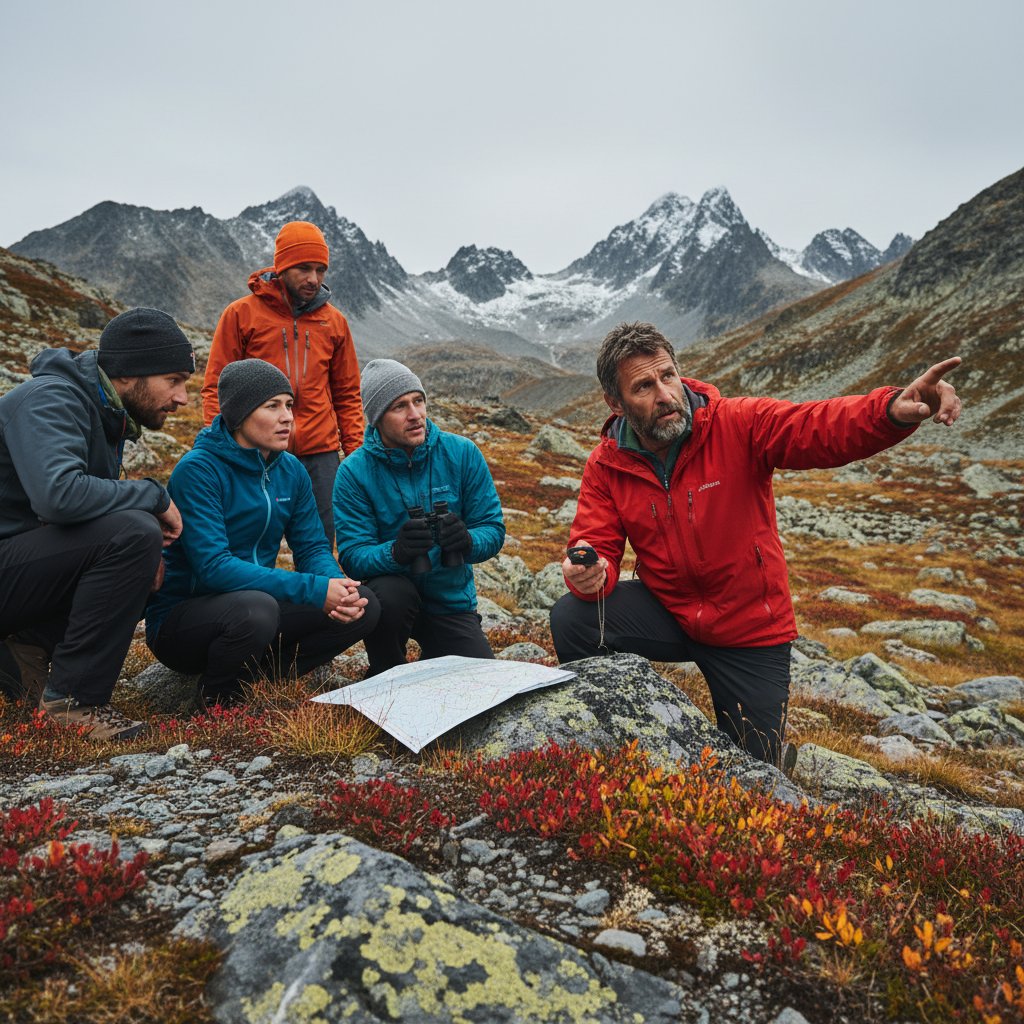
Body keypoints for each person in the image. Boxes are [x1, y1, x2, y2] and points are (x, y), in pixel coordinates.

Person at [550, 321, 963, 767]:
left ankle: (764, 751)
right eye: (644, 386)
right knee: (574, 618)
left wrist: (888, 411)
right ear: (616, 402)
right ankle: (618, 735)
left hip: (749, 629)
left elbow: (817, 427)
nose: (665, 395)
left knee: (754, 769)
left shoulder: (737, 423)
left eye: (668, 376)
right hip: (669, 609)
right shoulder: (608, 462)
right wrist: (591, 572)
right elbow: (595, 541)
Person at [0, 307, 195, 740]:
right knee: (135, 533)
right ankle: (74, 702)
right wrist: (153, 496)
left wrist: (142, 559)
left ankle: (23, 652)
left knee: (140, 544)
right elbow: (59, 497)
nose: (182, 397)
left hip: (16, 571)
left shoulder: (103, 412)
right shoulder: (51, 397)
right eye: (174, 380)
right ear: (130, 373)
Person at [147, 359, 380, 708]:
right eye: (272, 406)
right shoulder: (198, 470)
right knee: (257, 609)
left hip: (257, 609)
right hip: (184, 621)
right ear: (239, 415)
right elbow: (214, 567)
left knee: (366, 604)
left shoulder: (291, 470)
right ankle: (217, 699)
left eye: (289, 405)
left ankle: (260, 677)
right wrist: (314, 589)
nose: (287, 417)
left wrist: (337, 587)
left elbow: (313, 547)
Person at [333, 359, 505, 675]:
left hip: (451, 602)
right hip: (393, 602)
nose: (415, 415)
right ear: (377, 418)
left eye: (418, 400)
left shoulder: (462, 453)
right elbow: (353, 556)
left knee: (479, 682)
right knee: (389, 593)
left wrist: (468, 541)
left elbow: (493, 528)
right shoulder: (353, 473)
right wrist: (395, 553)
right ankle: (386, 669)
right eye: (400, 406)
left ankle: (432, 658)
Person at [201, 220, 364, 542]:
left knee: (319, 543)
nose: (313, 279)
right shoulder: (241, 314)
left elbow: (347, 395)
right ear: (282, 266)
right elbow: (216, 387)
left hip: (320, 454)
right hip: (256, 449)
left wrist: (356, 455)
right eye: (304, 268)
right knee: (248, 542)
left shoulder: (335, 323)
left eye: (320, 270)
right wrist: (221, 448)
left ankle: (315, 592)